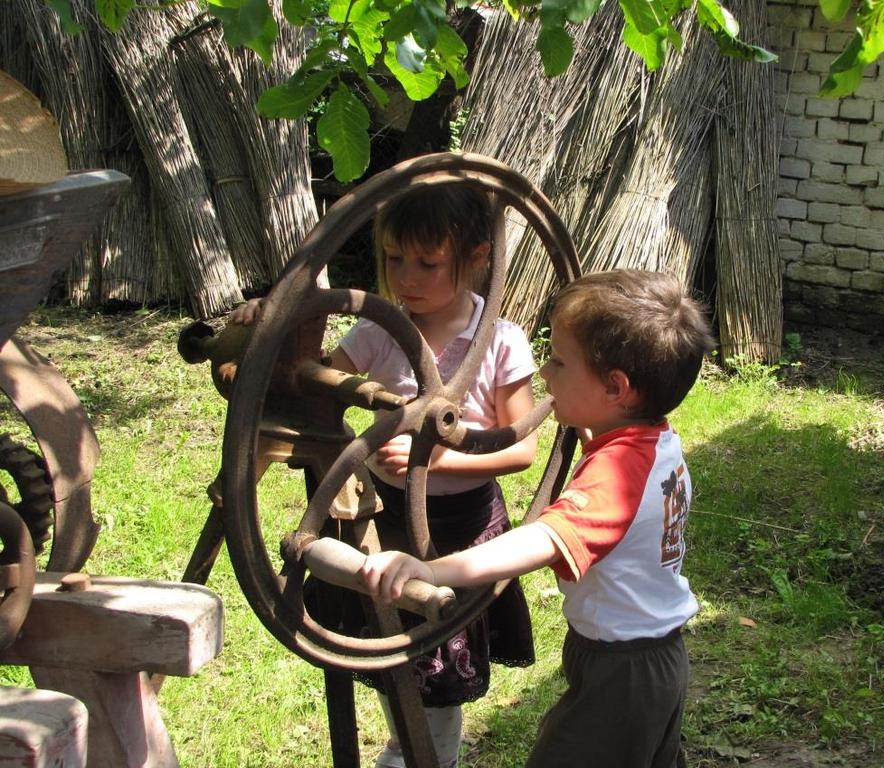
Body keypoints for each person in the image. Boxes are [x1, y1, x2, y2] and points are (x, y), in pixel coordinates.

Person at [231, 184, 538, 768]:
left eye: (428, 262)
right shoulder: (378, 330)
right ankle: (411, 740)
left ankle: (426, 755)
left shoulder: (501, 341)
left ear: (476, 257)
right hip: (386, 521)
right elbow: (310, 383)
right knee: (392, 650)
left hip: (460, 528)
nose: (406, 277)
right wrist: (265, 330)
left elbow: (522, 449)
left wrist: (446, 458)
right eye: (395, 258)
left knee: (438, 658)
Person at [360, 268, 716, 768]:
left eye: (559, 363)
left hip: (622, 673)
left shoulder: (617, 474)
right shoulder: (655, 441)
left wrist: (432, 570)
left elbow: (539, 541)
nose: (545, 375)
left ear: (616, 388)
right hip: (655, 657)